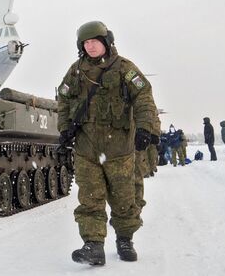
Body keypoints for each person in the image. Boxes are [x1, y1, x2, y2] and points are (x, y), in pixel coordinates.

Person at [57, 21, 157, 266]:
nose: (90, 46)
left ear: (106, 42)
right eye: (86, 43)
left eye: (95, 41)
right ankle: (93, 245)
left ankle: (125, 238)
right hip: (86, 148)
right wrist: (64, 129)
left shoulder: (125, 68)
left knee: (125, 199)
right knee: (90, 198)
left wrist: (145, 127)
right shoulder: (75, 71)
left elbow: (144, 96)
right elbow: (63, 101)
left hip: (120, 148)